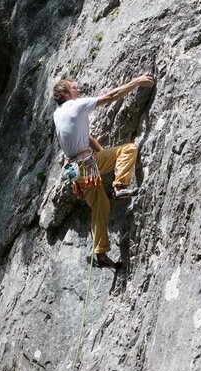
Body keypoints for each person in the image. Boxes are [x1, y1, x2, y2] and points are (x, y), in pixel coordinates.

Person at [51, 74, 155, 268]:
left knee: (100, 206)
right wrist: (137, 81)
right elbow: (110, 96)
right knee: (128, 149)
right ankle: (120, 186)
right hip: (86, 164)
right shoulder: (76, 105)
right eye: (74, 88)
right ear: (65, 93)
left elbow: (78, 143)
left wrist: (76, 179)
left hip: (75, 170)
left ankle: (101, 254)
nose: (79, 90)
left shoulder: (58, 115)